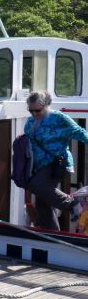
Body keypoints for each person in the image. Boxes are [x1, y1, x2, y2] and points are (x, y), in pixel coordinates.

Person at [24, 91, 88, 230]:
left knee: (35, 185)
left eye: (38, 110)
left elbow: (81, 133)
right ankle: (52, 233)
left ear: (46, 105)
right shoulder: (30, 121)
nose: (34, 113)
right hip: (38, 165)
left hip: (57, 164)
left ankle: (73, 203)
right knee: (42, 203)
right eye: (31, 110)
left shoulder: (59, 118)